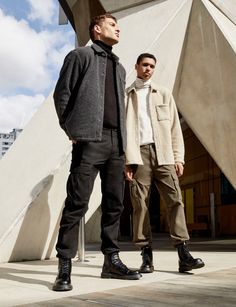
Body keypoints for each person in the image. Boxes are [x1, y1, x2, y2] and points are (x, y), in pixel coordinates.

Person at [52, 13, 141, 292]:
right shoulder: (79, 56)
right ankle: (64, 265)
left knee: (115, 204)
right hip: (89, 139)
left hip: (116, 144)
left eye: (118, 26)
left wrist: (126, 150)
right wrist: (71, 129)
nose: (118, 29)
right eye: (113, 25)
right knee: (77, 203)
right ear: (97, 29)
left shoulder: (121, 67)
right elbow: (62, 95)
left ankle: (111, 261)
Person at [125, 53, 205, 274]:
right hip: (138, 154)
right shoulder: (127, 95)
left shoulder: (163, 93)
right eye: (145, 65)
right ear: (137, 66)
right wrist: (126, 160)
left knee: (175, 200)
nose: (148, 69)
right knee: (140, 204)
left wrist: (178, 157)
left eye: (152, 66)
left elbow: (174, 128)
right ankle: (146, 256)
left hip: (164, 154)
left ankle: (183, 253)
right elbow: (124, 132)